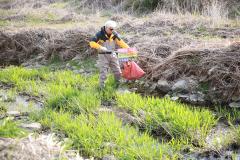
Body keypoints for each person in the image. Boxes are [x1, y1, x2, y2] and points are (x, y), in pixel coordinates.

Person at [89, 20, 129, 89]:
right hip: (103, 55)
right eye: (111, 29)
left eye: (113, 29)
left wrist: (129, 49)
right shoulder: (99, 34)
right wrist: (100, 47)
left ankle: (117, 84)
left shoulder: (114, 34)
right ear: (106, 28)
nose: (112, 30)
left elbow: (121, 43)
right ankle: (101, 88)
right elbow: (91, 43)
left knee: (118, 71)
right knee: (104, 72)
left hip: (112, 54)